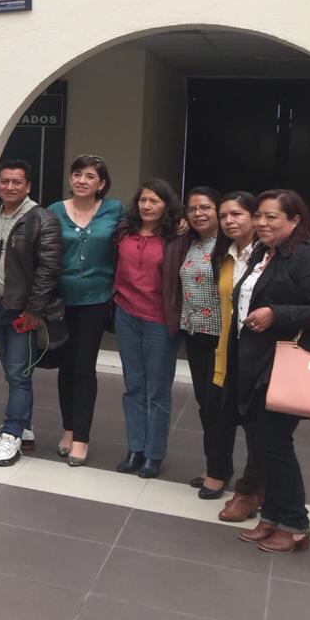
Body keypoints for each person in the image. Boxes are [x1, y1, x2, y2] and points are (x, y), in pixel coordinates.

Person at [233, 189, 310, 554]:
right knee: (267, 442)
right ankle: (273, 516)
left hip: (284, 361)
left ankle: (295, 524)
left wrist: (276, 314)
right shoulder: (266, 253)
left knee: (275, 443)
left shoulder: (304, 255)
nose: (262, 223)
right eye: (259, 216)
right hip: (259, 359)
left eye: (271, 217)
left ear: (294, 220)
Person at [0, 159, 62, 466]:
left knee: (18, 374)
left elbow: (49, 269)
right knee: (14, 373)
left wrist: (34, 310)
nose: (9, 187)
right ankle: (23, 430)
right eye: (4, 181)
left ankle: (11, 435)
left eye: (16, 182)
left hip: (22, 311)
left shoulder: (41, 218)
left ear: (28, 187)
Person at [48, 155, 123, 466]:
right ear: (70, 179)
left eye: (90, 176)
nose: (82, 180)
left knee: (84, 368)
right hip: (60, 301)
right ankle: (68, 428)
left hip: (96, 300)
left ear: (101, 184)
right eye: (77, 174)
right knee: (65, 367)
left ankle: (81, 437)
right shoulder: (54, 210)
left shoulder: (114, 210)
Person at [112, 178, 188, 480]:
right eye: (143, 200)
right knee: (133, 386)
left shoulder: (177, 237)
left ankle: (154, 454)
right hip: (126, 315)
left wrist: (185, 223)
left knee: (157, 391)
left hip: (159, 319)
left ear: (167, 205)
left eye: (154, 201)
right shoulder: (124, 231)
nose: (146, 206)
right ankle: (135, 448)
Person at [212, 192, 266, 523]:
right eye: (224, 216)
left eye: (237, 214)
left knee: (260, 426)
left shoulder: (270, 255)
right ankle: (256, 487)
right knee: (236, 417)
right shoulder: (226, 254)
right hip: (232, 348)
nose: (229, 221)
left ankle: (250, 490)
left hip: (262, 353)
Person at [176, 187, 230, 498]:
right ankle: (214, 465)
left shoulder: (228, 245)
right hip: (194, 334)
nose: (198, 213)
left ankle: (219, 472)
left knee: (217, 407)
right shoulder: (191, 243)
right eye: (192, 208)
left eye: (205, 207)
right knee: (205, 405)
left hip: (219, 337)